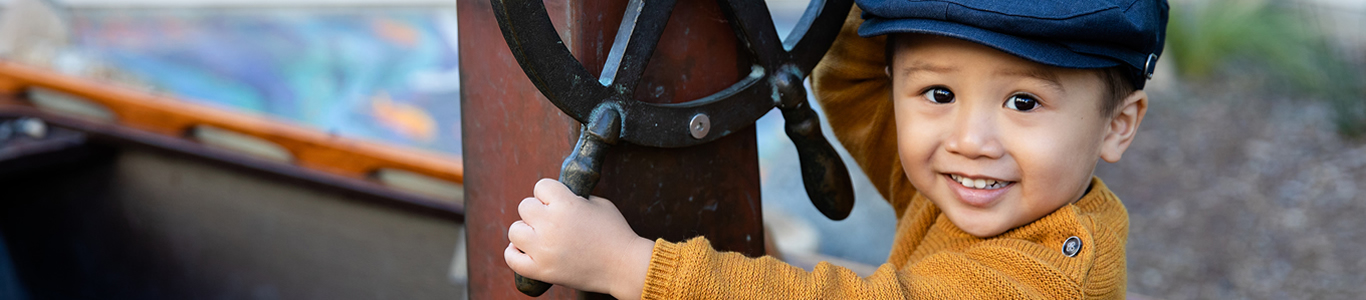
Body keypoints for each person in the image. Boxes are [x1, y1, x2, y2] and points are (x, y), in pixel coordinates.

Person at [505, 0, 1168, 298]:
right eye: (937, 94)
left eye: (1023, 102)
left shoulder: (1042, 278)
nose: (970, 140)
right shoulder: (982, 186)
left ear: (1118, 125)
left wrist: (630, 267)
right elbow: (852, 79)